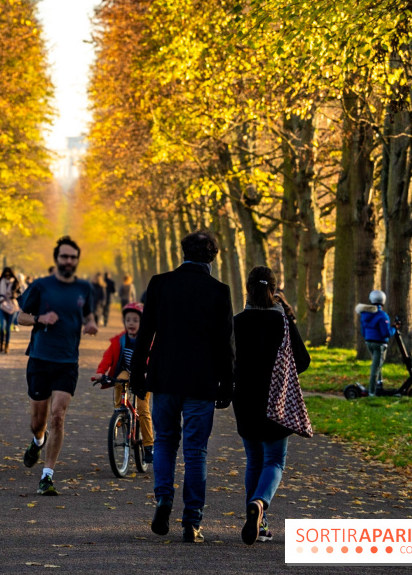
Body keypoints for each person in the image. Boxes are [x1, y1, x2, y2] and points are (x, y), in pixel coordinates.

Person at [129, 230, 234, 543]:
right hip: (202, 382)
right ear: (212, 258)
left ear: (183, 252)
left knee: (164, 441)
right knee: (196, 451)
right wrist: (227, 383)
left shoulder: (160, 283)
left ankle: (164, 497)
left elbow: (145, 333)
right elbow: (225, 343)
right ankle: (192, 522)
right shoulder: (219, 290)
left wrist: (137, 374)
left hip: (165, 378)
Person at [232, 266, 310, 545]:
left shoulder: (237, 322)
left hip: (245, 399)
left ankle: (258, 522)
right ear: (273, 290)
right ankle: (260, 502)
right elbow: (303, 360)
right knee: (274, 460)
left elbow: (228, 361)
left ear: (247, 289)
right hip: (277, 398)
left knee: (254, 460)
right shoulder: (282, 322)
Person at [16, 236, 98, 496]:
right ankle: (37, 441)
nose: (68, 261)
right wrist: (39, 318)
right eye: (64, 256)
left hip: (67, 362)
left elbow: (88, 313)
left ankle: (47, 476)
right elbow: (21, 316)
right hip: (40, 359)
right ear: (57, 258)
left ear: (77, 260)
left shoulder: (84, 288)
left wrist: (91, 322)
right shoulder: (40, 286)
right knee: (38, 422)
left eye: (73, 257)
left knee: (58, 417)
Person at [92, 302, 154, 463]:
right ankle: (120, 408)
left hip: (143, 374)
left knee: (143, 409)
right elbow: (108, 357)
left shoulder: (148, 340)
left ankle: (148, 446)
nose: (131, 323)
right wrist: (100, 372)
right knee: (119, 379)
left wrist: (151, 373)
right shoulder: (119, 340)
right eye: (128, 320)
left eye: (135, 320)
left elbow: (155, 359)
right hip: (127, 371)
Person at [355, 291, 394, 396]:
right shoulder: (382, 315)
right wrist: (394, 329)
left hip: (369, 343)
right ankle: (372, 392)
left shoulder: (364, 314)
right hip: (380, 344)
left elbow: (363, 331)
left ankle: (379, 385)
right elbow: (385, 333)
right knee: (376, 368)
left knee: (377, 364)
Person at [0, 267, 20, 353]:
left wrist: (14, 295)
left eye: (9, 273)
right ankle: (1, 344)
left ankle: (7, 345)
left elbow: (19, 292)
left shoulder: (15, 282)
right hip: (2, 306)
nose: (7, 275)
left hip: (12, 307)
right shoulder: (0, 281)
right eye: (6, 273)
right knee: (2, 326)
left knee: (8, 327)